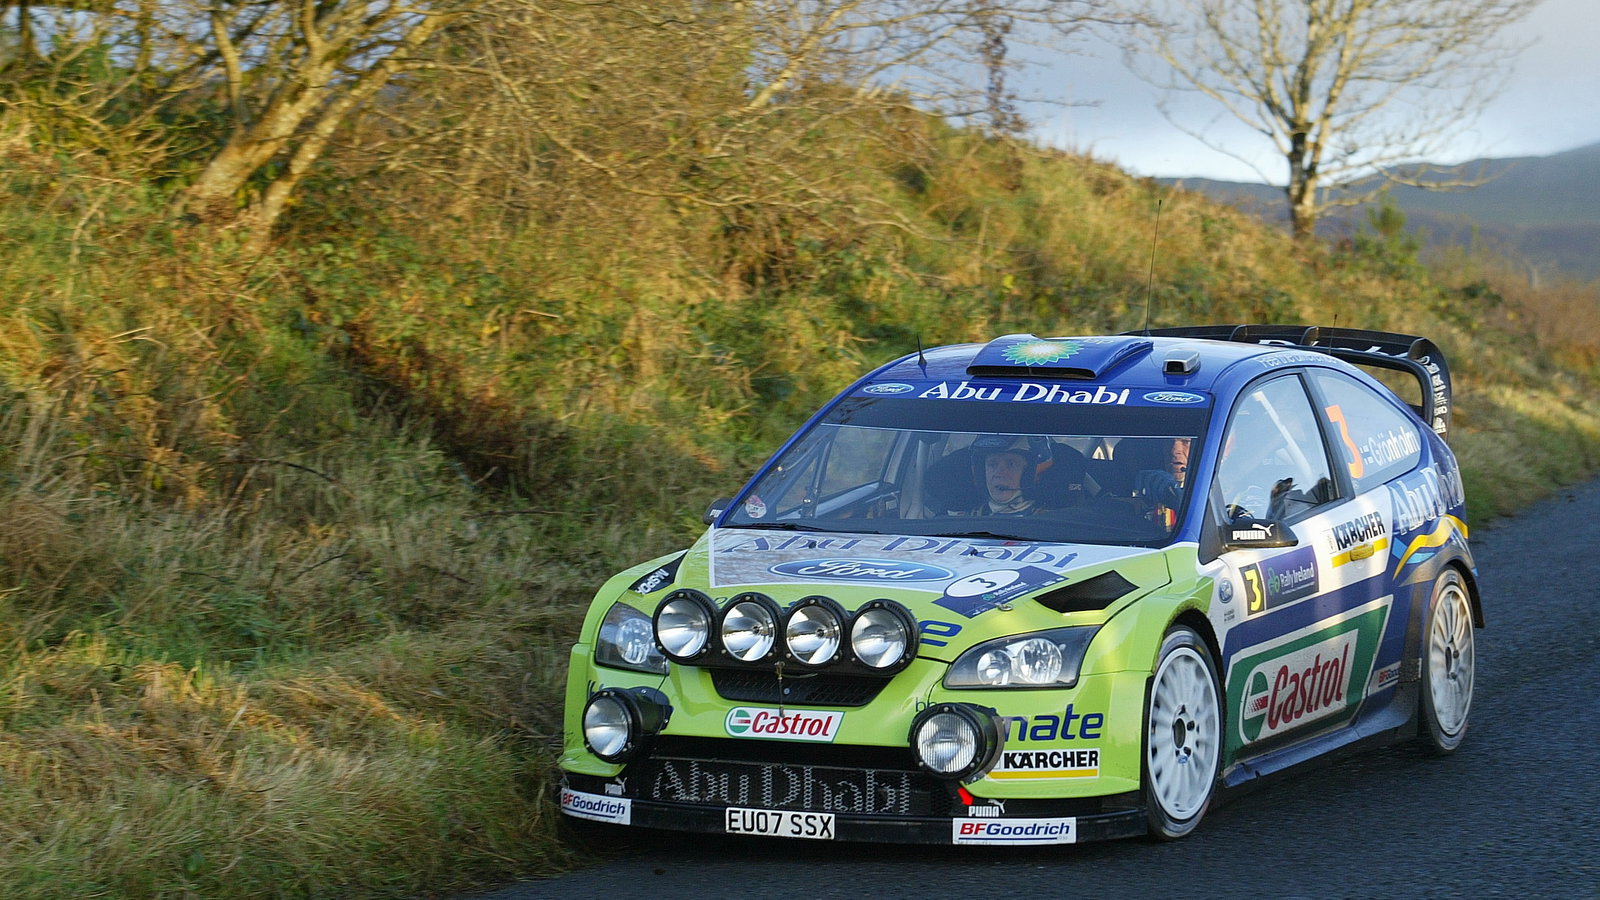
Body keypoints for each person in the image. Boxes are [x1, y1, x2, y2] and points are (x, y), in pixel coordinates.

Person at [967, 434, 1052, 516]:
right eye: (992, 465)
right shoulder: (967, 521)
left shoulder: (1049, 521)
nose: (999, 473)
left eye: (1011, 464)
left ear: (1029, 474)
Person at [1135, 438, 1192, 529]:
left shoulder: (1212, 492)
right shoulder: (1147, 484)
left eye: (1186, 442)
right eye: (1169, 441)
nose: (1174, 451)